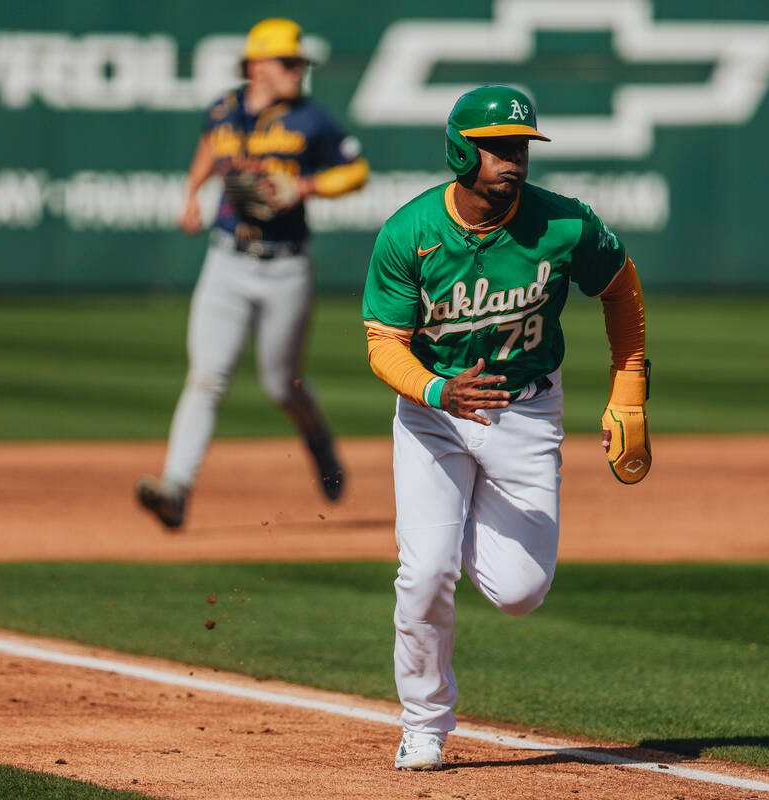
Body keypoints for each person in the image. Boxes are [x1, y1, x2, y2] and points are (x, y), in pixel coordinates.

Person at [361, 85, 651, 770]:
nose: (511, 160)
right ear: (462, 150)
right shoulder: (409, 233)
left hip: (526, 408)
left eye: (519, 146)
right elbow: (382, 344)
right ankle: (425, 723)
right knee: (425, 571)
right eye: (495, 147)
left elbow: (620, 287)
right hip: (434, 413)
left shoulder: (564, 225)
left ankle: (453, 522)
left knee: (520, 593)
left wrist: (629, 386)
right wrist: (436, 389)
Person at [136, 18, 369, 530]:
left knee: (283, 386)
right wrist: (192, 193)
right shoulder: (223, 111)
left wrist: (304, 188)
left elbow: (356, 170)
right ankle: (175, 487)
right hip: (227, 260)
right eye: (288, 62)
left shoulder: (311, 120)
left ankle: (319, 443)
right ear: (256, 65)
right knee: (207, 377)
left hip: (285, 265)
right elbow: (209, 148)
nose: (296, 71)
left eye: (299, 63)